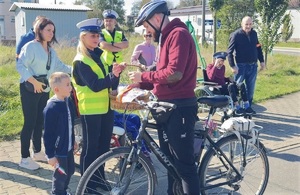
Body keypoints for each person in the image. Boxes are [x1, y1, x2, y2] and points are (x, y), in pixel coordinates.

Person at [129, 1, 200, 194]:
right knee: (170, 163)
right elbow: (161, 73)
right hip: (166, 107)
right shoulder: (166, 37)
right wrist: (140, 84)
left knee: (185, 168)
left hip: (180, 108)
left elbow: (173, 74)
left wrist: (143, 76)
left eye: (146, 26)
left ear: (157, 18)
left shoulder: (178, 35)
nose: (147, 31)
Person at [72, 18, 125, 191]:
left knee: (103, 148)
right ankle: (87, 185)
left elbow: (107, 82)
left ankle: (99, 179)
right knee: (90, 149)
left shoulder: (99, 55)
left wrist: (115, 74)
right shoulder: (80, 61)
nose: (97, 38)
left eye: (98, 35)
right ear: (83, 37)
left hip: (105, 109)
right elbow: (95, 85)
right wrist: (111, 76)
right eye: (93, 35)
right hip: (91, 111)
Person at [16, 17, 72, 170]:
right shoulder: (30, 47)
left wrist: (78, 68)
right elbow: (20, 65)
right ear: (39, 30)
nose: (51, 33)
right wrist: (34, 82)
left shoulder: (51, 51)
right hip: (30, 89)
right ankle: (24, 158)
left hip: (44, 89)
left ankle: (37, 152)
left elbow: (60, 66)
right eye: (48, 30)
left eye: (52, 31)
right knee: (30, 122)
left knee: (40, 121)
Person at [43, 72, 76, 195]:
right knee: (61, 174)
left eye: (70, 84)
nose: (70, 87)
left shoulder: (68, 102)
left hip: (68, 146)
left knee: (70, 170)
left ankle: (64, 191)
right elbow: (48, 134)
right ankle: (57, 192)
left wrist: (73, 140)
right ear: (56, 89)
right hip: (58, 150)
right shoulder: (51, 108)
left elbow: (70, 124)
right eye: (67, 85)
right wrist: (50, 155)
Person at [227, 16, 265, 112]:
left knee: (250, 90)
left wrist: (262, 61)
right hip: (241, 66)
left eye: (250, 24)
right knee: (237, 88)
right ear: (242, 24)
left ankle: (248, 107)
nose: (248, 26)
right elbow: (229, 52)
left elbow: (258, 47)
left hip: (253, 66)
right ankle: (236, 108)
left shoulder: (254, 34)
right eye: (246, 24)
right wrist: (232, 66)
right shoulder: (236, 35)